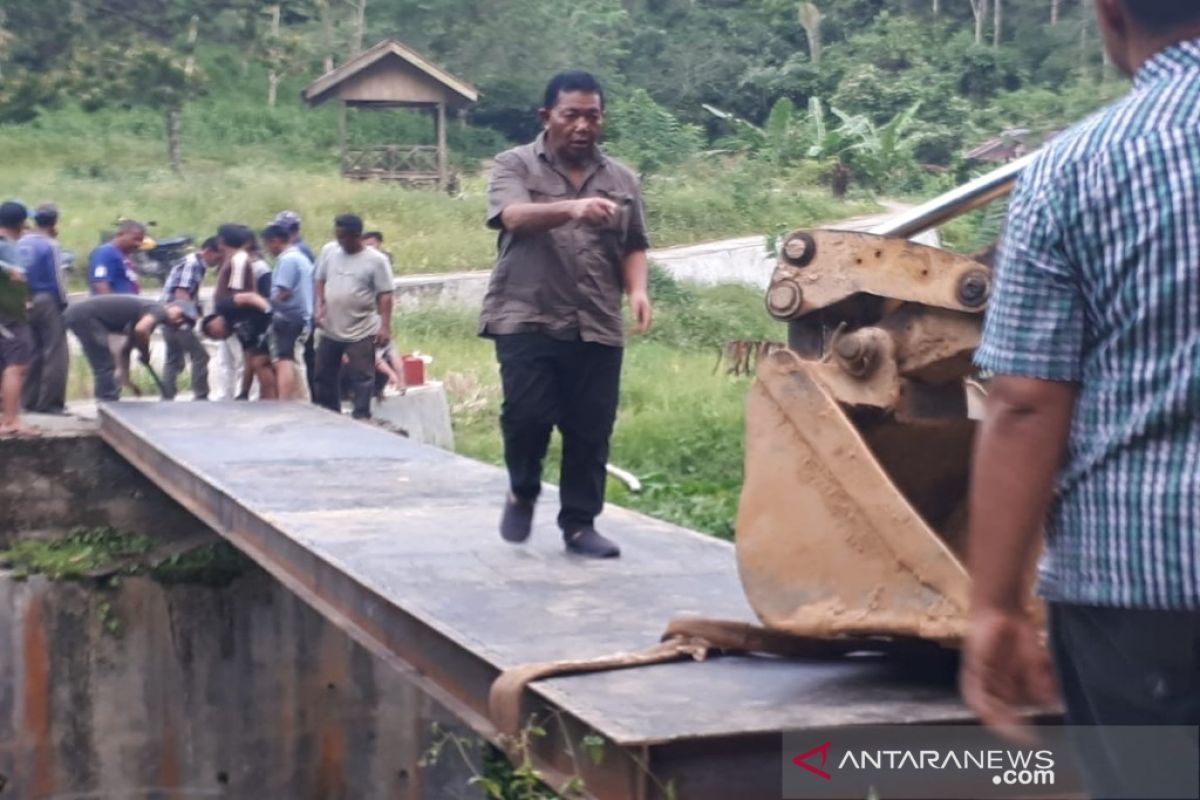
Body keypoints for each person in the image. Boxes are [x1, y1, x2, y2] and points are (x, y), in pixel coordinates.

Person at [961, 2, 1200, 797]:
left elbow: (1025, 400)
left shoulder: (1078, 167)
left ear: (1108, 14)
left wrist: (994, 604)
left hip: (1140, 589)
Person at [480, 71, 653, 559]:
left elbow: (635, 244)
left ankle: (580, 524)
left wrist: (638, 290)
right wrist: (573, 208)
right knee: (527, 417)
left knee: (590, 427)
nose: (582, 125)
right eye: (571, 114)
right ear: (547, 117)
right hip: (525, 314)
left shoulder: (622, 179)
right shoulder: (513, 165)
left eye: (592, 115)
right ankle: (523, 488)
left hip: (596, 320)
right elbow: (513, 216)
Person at [313, 213, 393, 420]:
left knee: (361, 375)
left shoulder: (376, 260)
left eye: (344, 237)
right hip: (331, 326)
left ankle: (361, 415)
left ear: (356, 236)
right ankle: (329, 414)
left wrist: (385, 326)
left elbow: (385, 294)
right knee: (323, 373)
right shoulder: (329, 251)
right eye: (337, 236)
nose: (340, 241)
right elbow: (320, 280)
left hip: (361, 328)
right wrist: (319, 305)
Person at [64, 295, 197, 401]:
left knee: (106, 362)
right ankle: (107, 404)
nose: (179, 321)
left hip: (82, 315)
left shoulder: (144, 315)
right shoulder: (158, 310)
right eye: (181, 315)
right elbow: (141, 330)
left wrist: (127, 381)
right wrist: (145, 352)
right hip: (84, 315)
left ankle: (107, 402)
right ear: (172, 306)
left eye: (184, 322)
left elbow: (125, 350)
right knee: (104, 363)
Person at [211, 226, 276, 401]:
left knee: (256, 361)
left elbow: (239, 293)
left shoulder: (238, 259)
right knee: (252, 359)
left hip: (245, 317)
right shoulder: (235, 259)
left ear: (222, 241)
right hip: (242, 317)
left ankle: (264, 399)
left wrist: (225, 310)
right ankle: (247, 394)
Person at [18, 203, 68, 414]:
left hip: (22, 299)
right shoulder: (50, 245)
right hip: (46, 299)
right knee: (55, 351)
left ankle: (28, 400)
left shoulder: (20, 241)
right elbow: (57, 278)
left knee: (32, 350)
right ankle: (49, 403)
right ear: (54, 222)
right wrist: (63, 302)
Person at [159, 236, 219, 401]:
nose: (218, 260)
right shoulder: (191, 264)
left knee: (173, 358)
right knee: (200, 355)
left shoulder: (196, 264)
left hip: (167, 316)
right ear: (208, 251)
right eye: (217, 256)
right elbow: (181, 295)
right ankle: (200, 396)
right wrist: (197, 319)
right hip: (177, 318)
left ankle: (167, 397)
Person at [261, 224, 314, 400]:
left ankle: (299, 402)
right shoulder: (300, 257)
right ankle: (300, 401)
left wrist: (266, 303)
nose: (267, 249)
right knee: (296, 362)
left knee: (290, 363)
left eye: (267, 245)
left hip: (290, 319)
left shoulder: (288, 260)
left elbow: (283, 292)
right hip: (302, 318)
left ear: (275, 242)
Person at [272, 210, 318, 398]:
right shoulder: (301, 251)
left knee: (296, 361)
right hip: (306, 314)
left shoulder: (295, 253)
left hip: (297, 316)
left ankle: (303, 401)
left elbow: (286, 290)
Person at [0, 201, 35, 436]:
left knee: (7, 365)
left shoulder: (8, 245)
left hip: (11, 314)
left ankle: (8, 417)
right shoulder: (4, 246)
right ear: (20, 222)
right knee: (17, 365)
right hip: (7, 316)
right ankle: (10, 421)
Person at [88, 220, 145, 295]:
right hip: (113, 305)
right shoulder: (105, 252)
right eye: (135, 239)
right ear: (120, 234)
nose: (138, 243)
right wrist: (111, 305)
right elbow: (100, 283)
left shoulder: (122, 255)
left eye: (140, 240)